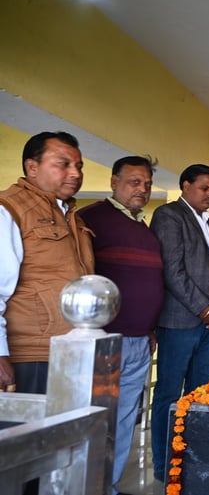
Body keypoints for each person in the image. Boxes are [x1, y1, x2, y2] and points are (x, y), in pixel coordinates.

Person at [78, 156, 164, 495]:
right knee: (96, 417)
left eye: (147, 184)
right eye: (134, 182)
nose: (142, 189)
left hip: (141, 340)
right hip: (104, 340)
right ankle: (86, 487)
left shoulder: (145, 229)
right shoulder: (90, 219)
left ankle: (108, 486)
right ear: (114, 182)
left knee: (126, 417)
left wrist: (150, 327)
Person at [149, 164, 209, 482]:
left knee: (199, 395)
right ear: (186, 186)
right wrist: (203, 309)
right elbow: (173, 271)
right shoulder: (169, 216)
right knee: (169, 395)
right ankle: (164, 465)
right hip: (180, 322)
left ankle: (192, 462)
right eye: (204, 188)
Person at [0, 131, 94, 394]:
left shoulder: (71, 216)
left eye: (79, 166)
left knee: (67, 422)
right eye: (63, 164)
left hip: (71, 348)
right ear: (32, 167)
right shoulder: (9, 209)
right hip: (29, 353)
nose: (75, 173)